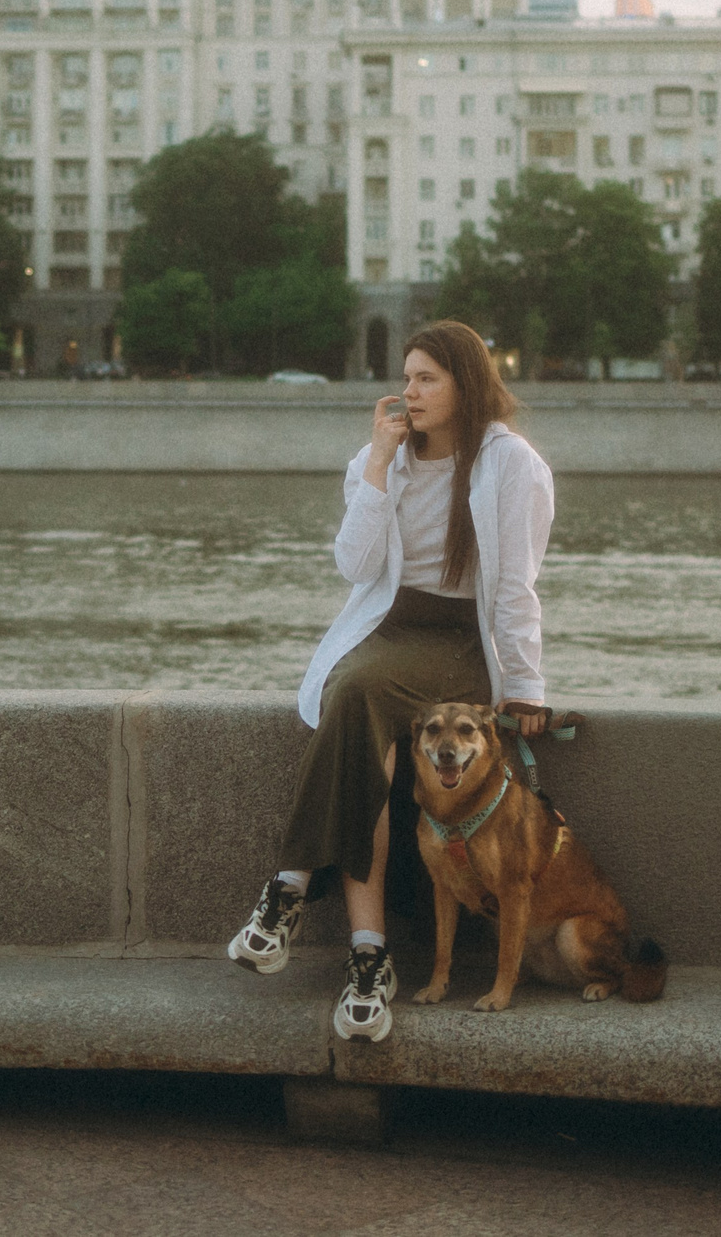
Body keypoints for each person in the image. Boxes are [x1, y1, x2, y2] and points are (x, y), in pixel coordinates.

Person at [226, 319, 554, 1042]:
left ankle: (288, 892)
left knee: (358, 692)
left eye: (427, 377)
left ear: (467, 383)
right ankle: (368, 955)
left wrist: (525, 685)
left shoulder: (511, 463)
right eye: (406, 376)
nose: (409, 391)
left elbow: (515, 588)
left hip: (459, 642)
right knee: (358, 714)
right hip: (386, 630)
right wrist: (377, 465)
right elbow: (354, 565)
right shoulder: (384, 458)